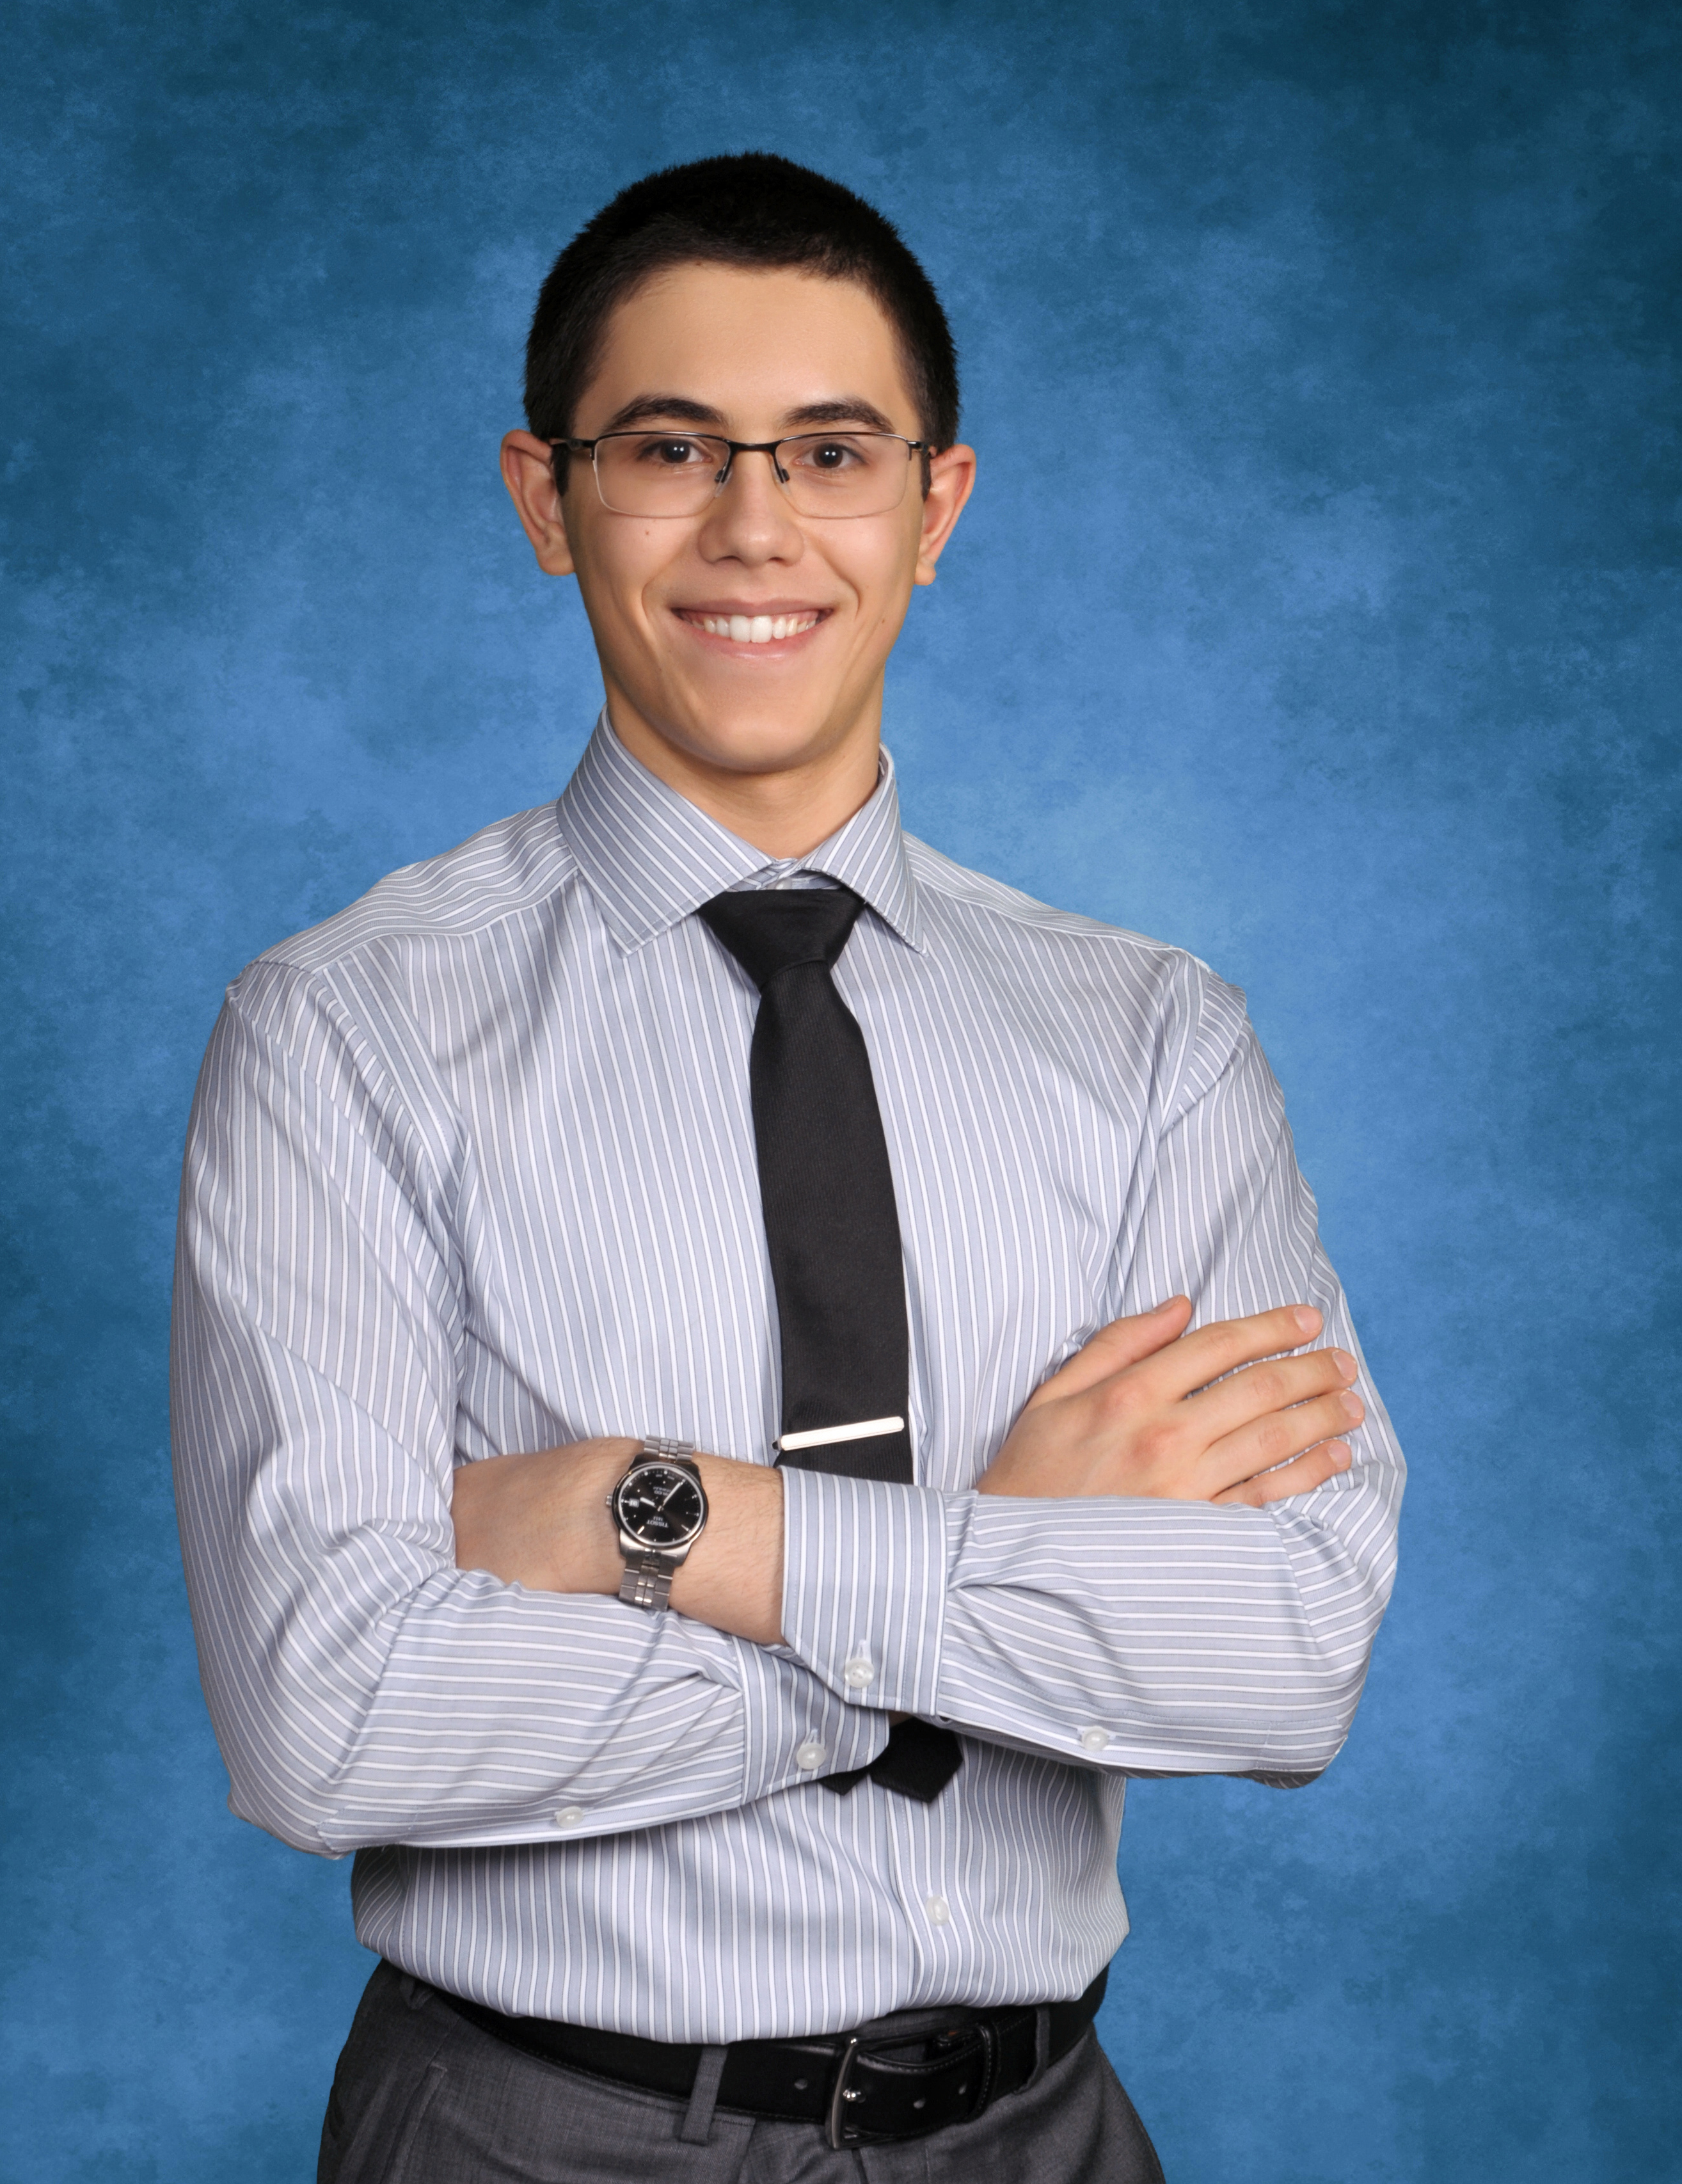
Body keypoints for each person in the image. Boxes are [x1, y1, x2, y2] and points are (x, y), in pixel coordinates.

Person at [171, 152, 1404, 2183]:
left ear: (938, 509)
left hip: (1050, 2132)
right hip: (538, 2132)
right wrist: (987, 1592)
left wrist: (666, 1520)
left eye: (832, 450)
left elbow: (1287, 1652)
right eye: (671, 446)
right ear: (543, 496)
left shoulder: (1153, 1034)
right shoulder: (346, 1029)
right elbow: (334, 1712)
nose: (757, 526)